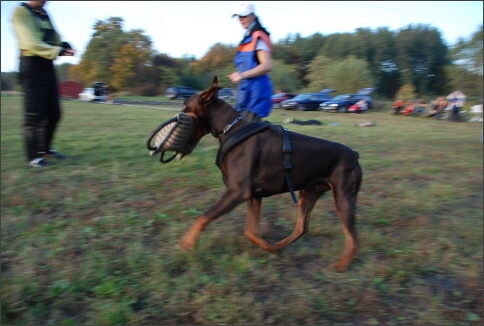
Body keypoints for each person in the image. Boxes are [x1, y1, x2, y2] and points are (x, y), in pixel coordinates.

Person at [12, 1, 75, 168]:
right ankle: (33, 157)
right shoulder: (21, 12)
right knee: (34, 115)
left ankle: (44, 149)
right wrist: (57, 51)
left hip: (47, 66)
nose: (46, 1)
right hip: (32, 65)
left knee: (54, 113)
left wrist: (63, 45)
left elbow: (55, 37)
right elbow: (31, 42)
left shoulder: (44, 14)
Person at [229, 1, 273, 122]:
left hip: (255, 94)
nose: (241, 19)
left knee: (245, 135)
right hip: (246, 92)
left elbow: (267, 65)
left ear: (252, 15)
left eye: (244, 16)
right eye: (239, 16)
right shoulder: (248, 37)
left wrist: (242, 75)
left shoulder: (258, 36)